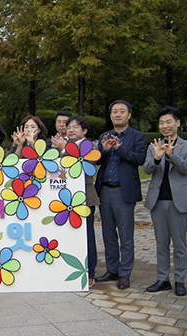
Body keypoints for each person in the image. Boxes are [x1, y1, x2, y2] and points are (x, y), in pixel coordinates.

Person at [143, 106, 187, 297]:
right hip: (158, 201)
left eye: (168, 122)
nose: (165, 126)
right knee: (161, 243)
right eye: (161, 123)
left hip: (179, 202)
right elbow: (147, 169)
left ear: (177, 123)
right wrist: (157, 158)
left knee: (179, 244)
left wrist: (171, 155)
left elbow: (186, 168)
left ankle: (180, 280)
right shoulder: (154, 145)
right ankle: (163, 279)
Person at [94, 100, 147, 290]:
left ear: (129, 115)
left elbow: (139, 159)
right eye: (114, 112)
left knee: (125, 235)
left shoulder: (138, 137)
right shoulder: (104, 136)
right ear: (110, 115)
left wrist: (119, 148)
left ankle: (125, 274)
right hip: (105, 190)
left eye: (122, 111)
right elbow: (97, 161)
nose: (117, 114)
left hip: (123, 192)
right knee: (108, 234)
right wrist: (105, 150)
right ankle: (112, 269)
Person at [65, 116, 99, 286]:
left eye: (75, 127)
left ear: (84, 131)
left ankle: (90, 272)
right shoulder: (64, 145)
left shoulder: (89, 146)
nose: (71, 130)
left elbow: (87, 164)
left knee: (87, 236)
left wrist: (64, 149)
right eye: (69, 127)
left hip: (85, 197)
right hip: (67, 200)